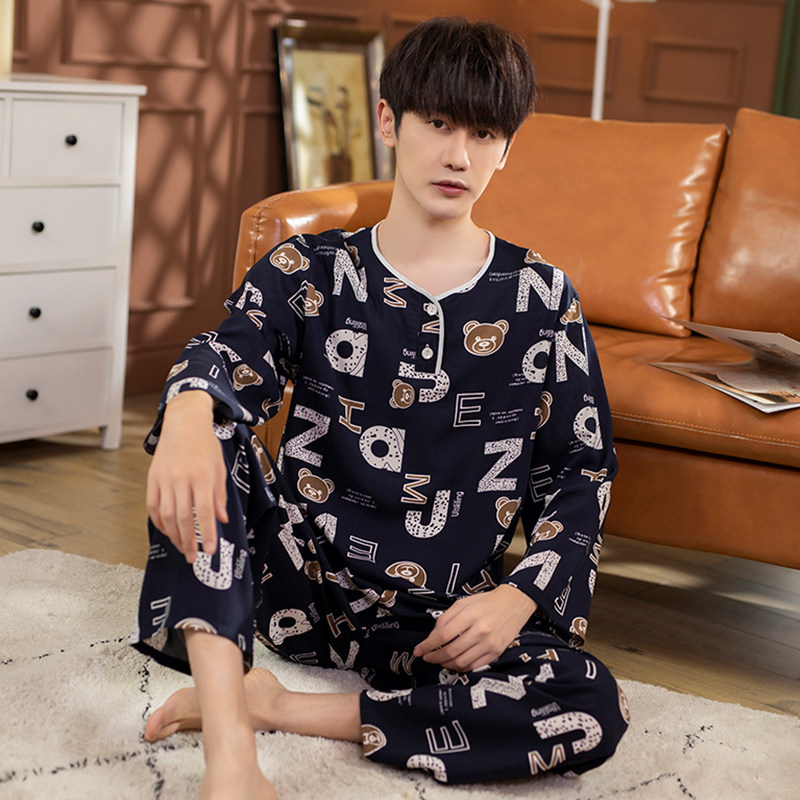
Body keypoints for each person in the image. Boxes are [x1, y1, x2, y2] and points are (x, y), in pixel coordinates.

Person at [132, 16, 629, 800]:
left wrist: (520, 595)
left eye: (485, 133)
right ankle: (231, 756)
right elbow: (228, 354)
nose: (459, 155)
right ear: (389, 122)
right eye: (439, 123)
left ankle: (280, 706)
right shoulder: (310, 269)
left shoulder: (542, 299)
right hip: (298, 583)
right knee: (205, 420)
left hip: (442, 620)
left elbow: (581, 470)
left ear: (508, 148)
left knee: (590, 705)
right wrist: (192, 408)